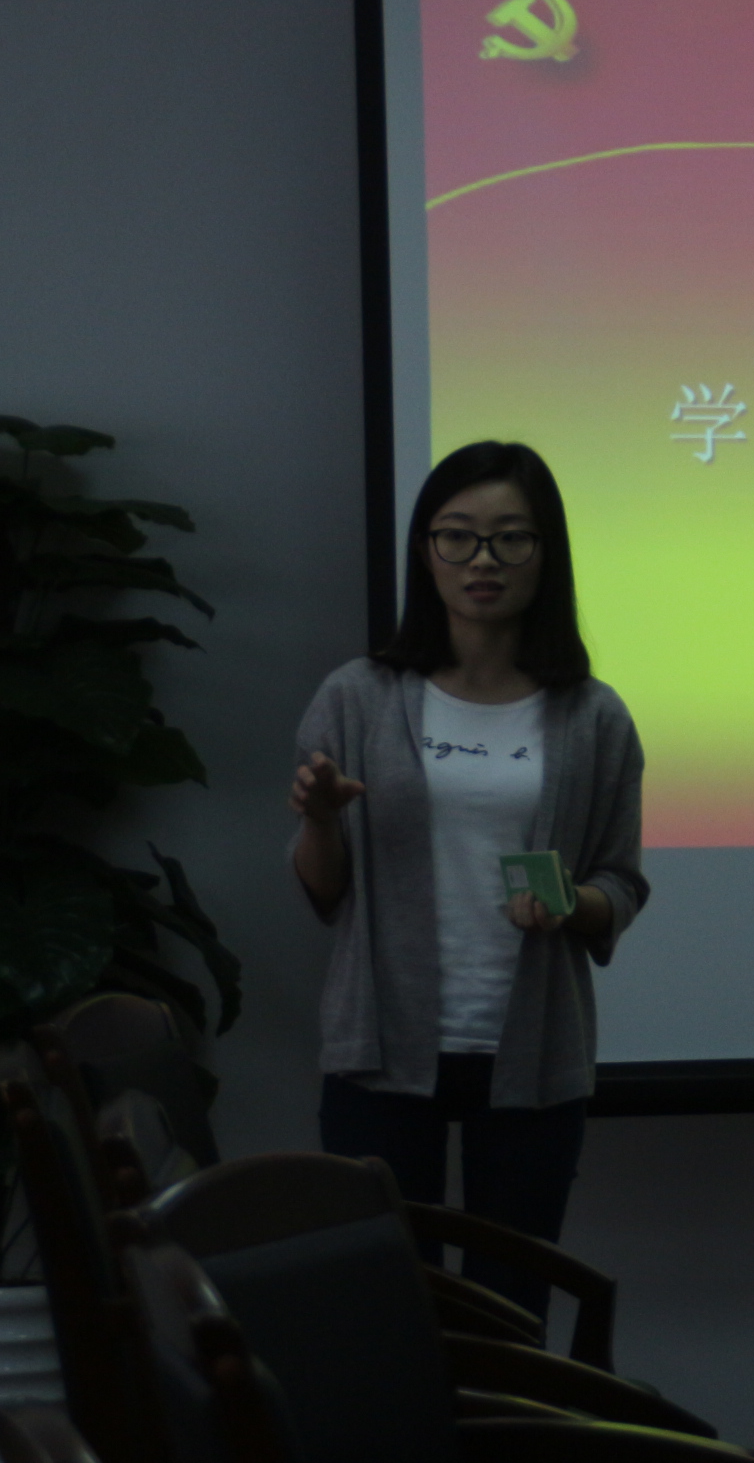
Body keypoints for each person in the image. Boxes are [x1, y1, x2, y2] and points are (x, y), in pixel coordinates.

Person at [288, 440, 647, 1317]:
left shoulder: (593, 715)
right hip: (382, 1046)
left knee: (510, 1309)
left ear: (546, 555)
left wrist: (570, 904)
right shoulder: (358, 697)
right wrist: (322, 820)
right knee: (385, 1308)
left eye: (510, 538)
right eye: (457, 536)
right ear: (425, 550)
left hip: (531, 1054)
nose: (483, 560)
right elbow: (325, 894)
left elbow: (621, 882)